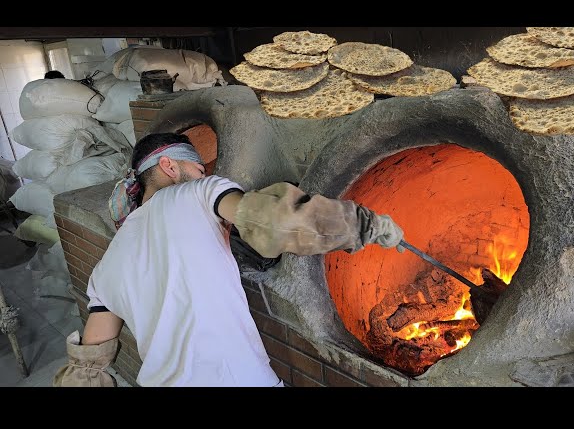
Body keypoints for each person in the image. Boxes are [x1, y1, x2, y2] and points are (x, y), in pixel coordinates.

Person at [53, 132, 404, 387]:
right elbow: (273, 220)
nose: (203, 174)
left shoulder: (107, 264)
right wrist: (366, 225)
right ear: (169, 166)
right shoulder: (197, 192)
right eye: (198, 168)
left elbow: (88, 366)